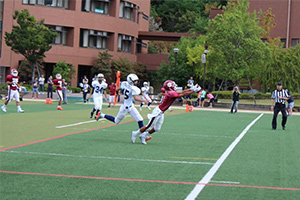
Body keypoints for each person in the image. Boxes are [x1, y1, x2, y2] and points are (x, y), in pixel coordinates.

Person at [131, 80, 201, 144]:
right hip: (158, 112)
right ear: (170, 86)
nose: (174, 86)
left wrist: (192, 89)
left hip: (162, 112)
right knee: (148, 127)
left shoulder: (170, 92)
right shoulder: (170, 93)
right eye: (173, 85)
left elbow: (182, 92)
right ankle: (135, 133)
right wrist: (193, 90)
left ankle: (144, 136)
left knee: (157, 128)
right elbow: (182, 94)